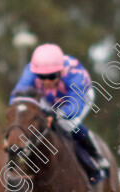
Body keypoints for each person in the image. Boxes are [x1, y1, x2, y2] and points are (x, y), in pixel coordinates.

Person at [10, 43, 109, 180]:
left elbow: (75, 105)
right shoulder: (30, 71)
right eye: (41, 77)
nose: (46, 81)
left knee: (67, 125)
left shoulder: (75, 74)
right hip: (49, 99)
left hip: (79, 98)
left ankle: (95, 156)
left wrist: (58, 114)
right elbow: (17, 97)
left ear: (60, 71)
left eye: (51, 76)